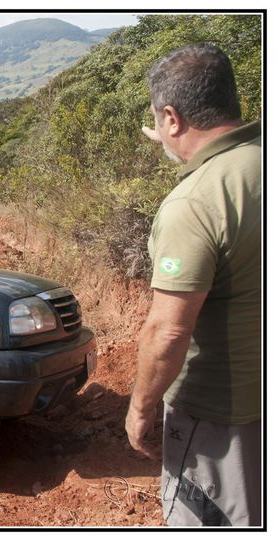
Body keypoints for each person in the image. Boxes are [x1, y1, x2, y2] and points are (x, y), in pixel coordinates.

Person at [125, 43, 261, 527]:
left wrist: (140, 409)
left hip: (220, 415)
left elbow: (168, 331)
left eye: (158, 119)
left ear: (172, 118)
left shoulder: (195, 202)